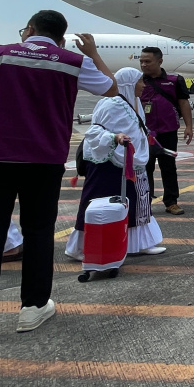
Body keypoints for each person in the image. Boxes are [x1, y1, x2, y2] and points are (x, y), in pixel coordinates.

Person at [0, 11, 116, 344]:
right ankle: (33, 307)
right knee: (39, 231)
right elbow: (111, 89)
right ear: (61, 37)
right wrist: (92, 53)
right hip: (45, 159)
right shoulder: (70, 60)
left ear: (28, 30)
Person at [66, 68, 166, 260]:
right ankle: (80, 247)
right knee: (96, 203)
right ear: (129, 84)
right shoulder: (110, 104)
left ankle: (139, 244)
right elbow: (94, 132)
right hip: (108, 162)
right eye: (140, 81)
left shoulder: (133, 103)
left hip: (129, 161)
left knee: (136, 202)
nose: (143, 85)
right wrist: (114, 137)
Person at [140, 46, 193, 215]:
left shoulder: (174, 80)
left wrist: (189, 126)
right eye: (141, 61)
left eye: (147, 61)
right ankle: (144, 202)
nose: (143, 65)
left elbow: (183, 103)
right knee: (144, 168)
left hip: (168, 133)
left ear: (160, 61)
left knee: (168, 166)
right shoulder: (137, 80)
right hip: (144, 134)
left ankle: (171, 202)